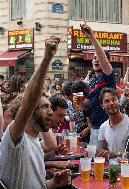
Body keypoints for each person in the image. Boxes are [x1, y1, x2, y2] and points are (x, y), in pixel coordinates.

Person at [0, 38, 70, 189]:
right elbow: (30, 99)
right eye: (45, 107)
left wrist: (54, 183)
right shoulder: (15, 138)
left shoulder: (35, 143)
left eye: (50, 107)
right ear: (29, 110)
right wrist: (46, 59)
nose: (51, 112)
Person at [80, 23, 116, 146]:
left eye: (98, 57)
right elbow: (89, 105)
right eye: (93, 57)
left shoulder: (108, 75)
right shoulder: (92, 81)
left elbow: (103, 59)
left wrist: (92, 37)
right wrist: (78, 101)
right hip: (95, 127)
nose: (96, 59)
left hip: (109, 126)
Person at [97, 88, 129, 158]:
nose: (111, 103)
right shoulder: (103, 127)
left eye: (114, 99)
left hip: (128, 167)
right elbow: (105, 151)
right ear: (102, 106)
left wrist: (115, 155)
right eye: (107, 101)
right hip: (111, 168)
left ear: (119, 101)